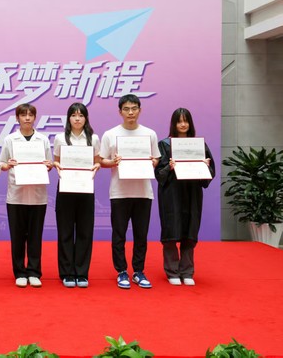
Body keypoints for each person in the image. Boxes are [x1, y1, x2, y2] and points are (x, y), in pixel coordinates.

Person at [99, 94, 160, 289]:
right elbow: (101, 160)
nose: (130, 112)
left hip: (143, 192)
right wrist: (113, 162)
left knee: (141, 235)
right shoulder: (110, 134)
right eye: (126, 109)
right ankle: (121, 271)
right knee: (119, 234)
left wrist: (153, 162)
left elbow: (156, 158)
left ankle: (139, 271)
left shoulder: (150, 134)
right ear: (120, 112)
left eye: (134, 108)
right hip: (120, 192)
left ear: (140, 110)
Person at [155, 108, 215, 286]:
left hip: (192, 193)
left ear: (190, 123)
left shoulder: (199, 146)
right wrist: (169, 167)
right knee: (171, 231)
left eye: (185, 121)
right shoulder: (165, 144)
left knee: (190, 231)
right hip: (171, 194)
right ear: (173, 124)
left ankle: (187, 271)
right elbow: (159, 174)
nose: (182, 124)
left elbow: (210, 173)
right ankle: (172, 271)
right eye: (179, 121)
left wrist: (205, 166)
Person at [0, 103, 53, 288]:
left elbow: (49, 163)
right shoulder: (10, 139)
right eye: (23, 115)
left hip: (38, 195)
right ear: (17, 118)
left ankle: (34, 271)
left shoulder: (42, 140)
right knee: (18, 236)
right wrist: (8, 164)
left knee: (35, 236)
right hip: (16, 195)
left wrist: (48, 165)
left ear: (35, 118)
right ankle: (20, 272)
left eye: (30, 115)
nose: (27, 118)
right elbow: (2, 163)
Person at [53, 103, 101, 288]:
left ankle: (81, 273)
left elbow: (97, 161)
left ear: (86, 118)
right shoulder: (60, 138)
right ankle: (66, 273)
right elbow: (56, 161)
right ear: (69, 118)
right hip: (66, 188)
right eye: (74, 115)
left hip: (85, 188)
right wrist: (57, 165)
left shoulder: (93, 138)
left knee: (84, 231)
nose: (77, 119)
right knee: (65, 231)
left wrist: (97, 166)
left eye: (81, 115)